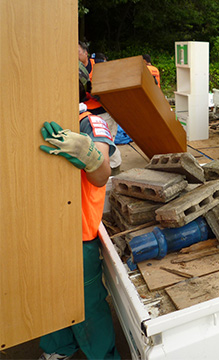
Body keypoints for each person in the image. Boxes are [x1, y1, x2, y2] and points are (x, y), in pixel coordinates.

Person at [37, 63, 120, 360]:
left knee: (87, 305)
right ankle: (58, 349)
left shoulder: (89, 123)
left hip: (78, 233)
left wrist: (86, 152)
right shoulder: (33, 119)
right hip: (42, 229)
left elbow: (102, 175)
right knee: (47, 295)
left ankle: (103, 355)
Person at [78, 41, 122, 174]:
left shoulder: (99, 66)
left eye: (77, 52)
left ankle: (113, 172)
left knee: (106, 145)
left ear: (86, 53)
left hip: (103, 112)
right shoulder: (72, 68)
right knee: (93, 147)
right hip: (86, 114)